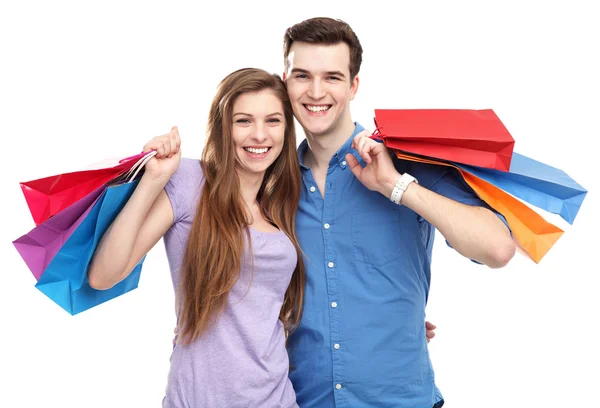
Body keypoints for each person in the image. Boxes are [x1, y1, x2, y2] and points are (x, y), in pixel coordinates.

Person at [281, 17, 516, 407]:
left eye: (333, 77)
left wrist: (395, 186)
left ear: (354, 85)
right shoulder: (271, 182)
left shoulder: (408, 164)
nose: (316, 91)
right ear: (284, 81)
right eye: (302, 75)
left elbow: (498, 248)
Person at [88, 68, 306, 408]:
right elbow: (104, 275)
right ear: (223, 127)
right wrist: (153, 180)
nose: (260, 134)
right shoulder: (191, 182)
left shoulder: (283, 205)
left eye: (273, 121)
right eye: (244, 121)